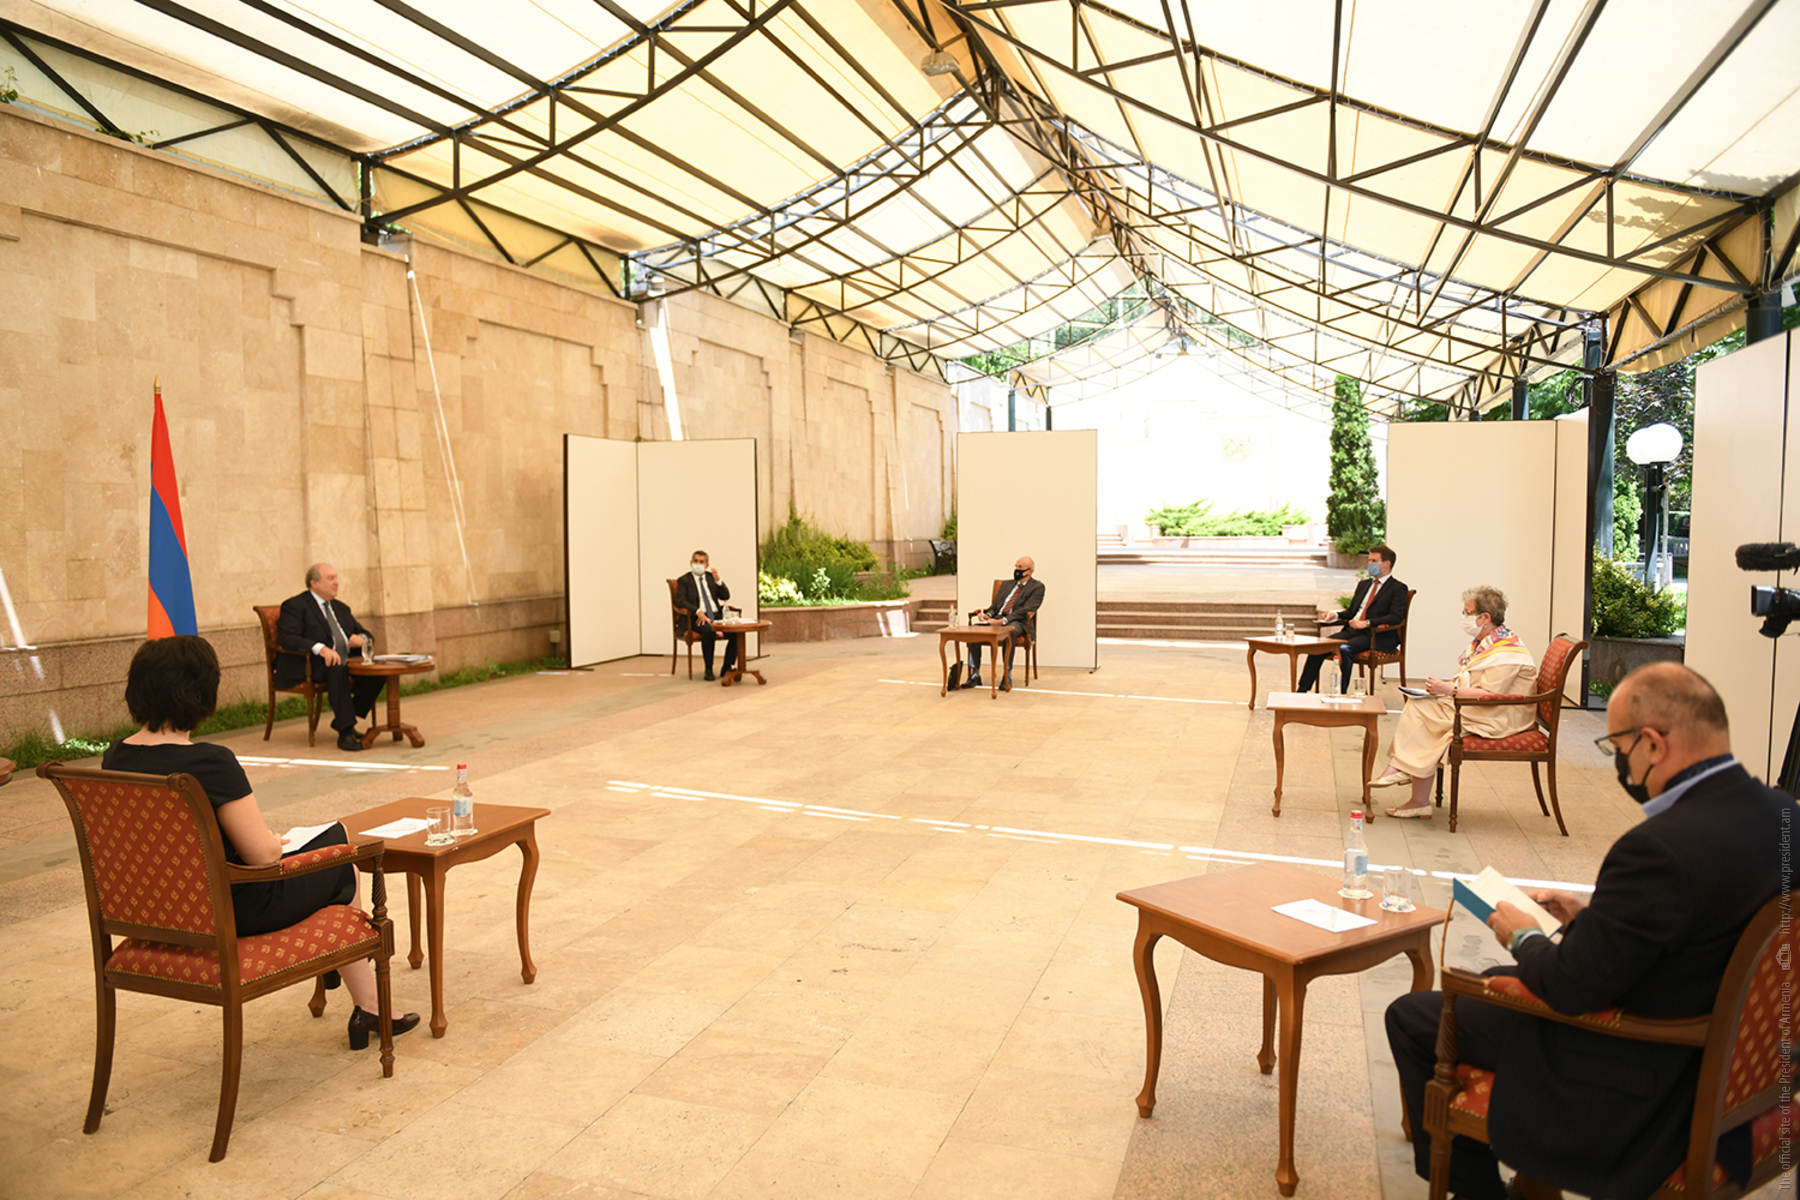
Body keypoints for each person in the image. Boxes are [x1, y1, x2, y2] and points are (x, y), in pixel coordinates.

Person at [1385, 662, 1794, 1200]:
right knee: (1500, 977)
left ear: (1653, 744)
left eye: (1617, 746)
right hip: (1746, 1069)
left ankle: (1480, 1192)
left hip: (1646, 1081)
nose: (1619, 762)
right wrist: (1592, 920)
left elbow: (1570, 988)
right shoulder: (1783, 815)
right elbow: (1699, 930)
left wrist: (1523, 934)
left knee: (1418, 1015)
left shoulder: (1659, 847)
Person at [101, 636, 419, 1050]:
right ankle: (366, 1001)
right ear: (202, 692)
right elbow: (264, 858)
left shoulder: (116, 757)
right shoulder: (210, 763)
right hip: (229, 910)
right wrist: (270, 841)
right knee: (342, 859)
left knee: (328, 862)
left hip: (159, 908)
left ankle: (354, 987)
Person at [1369, 585, 1536, 818]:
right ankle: (1410, 783)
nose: (1464, 617)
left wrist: (1449, 690)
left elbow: (1490, 695)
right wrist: (1443, 690)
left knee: (1428, 717)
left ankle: (1405, 771)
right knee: (1420, 704)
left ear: (1485, 617)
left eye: (1468, 612)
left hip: (1501, 715)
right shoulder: (1488, 642)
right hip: (1483, 707)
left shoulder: (1507, 652)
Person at [275, 563, 387, 752]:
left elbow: (366, 634)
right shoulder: (295, 606)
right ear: (314, 583)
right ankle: (345, 733)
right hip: (312, 664)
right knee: (336, 669)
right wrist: (320, 648)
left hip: (346, 661)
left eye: (336, 578)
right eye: (330, 578)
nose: (336, 582)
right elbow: (287, 638)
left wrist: (361, 638)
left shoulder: (341, 608)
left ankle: (345, 718)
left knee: (378, 672)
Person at [1297, 544, 1408, 693]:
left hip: (1375, 635)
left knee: (1344, 649)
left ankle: (1340, 692)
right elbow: (1352, 612)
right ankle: (1302, 691)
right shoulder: (1364, 585)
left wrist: (1366, 623)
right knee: (1318, 647)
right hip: (1352, 631)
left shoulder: (1398, 588)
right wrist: (1335, 615)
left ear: (1386, 564)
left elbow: (1396, 617)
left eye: (1373, 561)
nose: (1369, 564)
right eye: (1369, 560)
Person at [963, 556, 1043, 692]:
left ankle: (1007, 675)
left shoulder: (1037, 587)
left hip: (1018, 622)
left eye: (1020, 568)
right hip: (997, 619)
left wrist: (1003, 621)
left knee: (1008, 632)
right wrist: (987, 615)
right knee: (974, 632)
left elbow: (1026, 610)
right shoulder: (1006, 585)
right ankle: (975, 674)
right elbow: (995, 607)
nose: (1016, 570)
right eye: (1015, 566)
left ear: (1029, 571)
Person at [675, 550, 736, 681]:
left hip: (716, 615)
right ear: (691, 563)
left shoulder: (711, 578)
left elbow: (725, 596)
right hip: (696, 618)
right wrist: (697, 611)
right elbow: (680, 601)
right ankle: (708, 669)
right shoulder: (684, 580)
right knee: (709, 631)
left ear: (707, 565)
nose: (698, 564)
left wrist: (718, 581)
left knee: (736, 632)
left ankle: (727, 666)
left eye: (701, 562)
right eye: (695, 561)